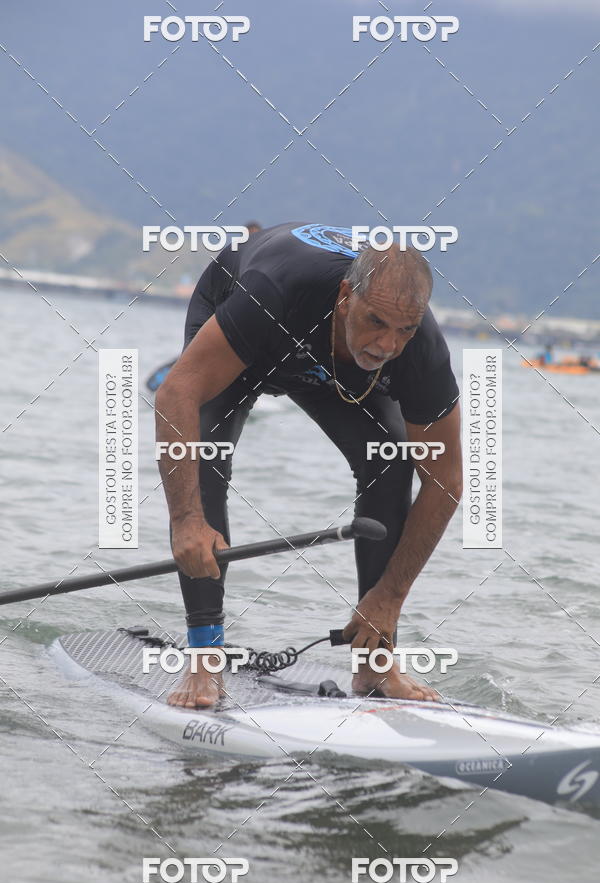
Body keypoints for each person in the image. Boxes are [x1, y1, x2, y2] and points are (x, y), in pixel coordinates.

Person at [156, 222, 462, 708]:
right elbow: (176, 392)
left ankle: (376, 661)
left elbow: (445, 482)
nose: (387, 345)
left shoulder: (420, 348)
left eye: (403, 330)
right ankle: (204, 658)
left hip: (332, 361)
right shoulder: (276, 292)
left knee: (391, 459)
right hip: (255, 324)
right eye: (376, 321)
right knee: (208, 453)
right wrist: (186, 520)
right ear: (346, 297)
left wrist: (389, 596)